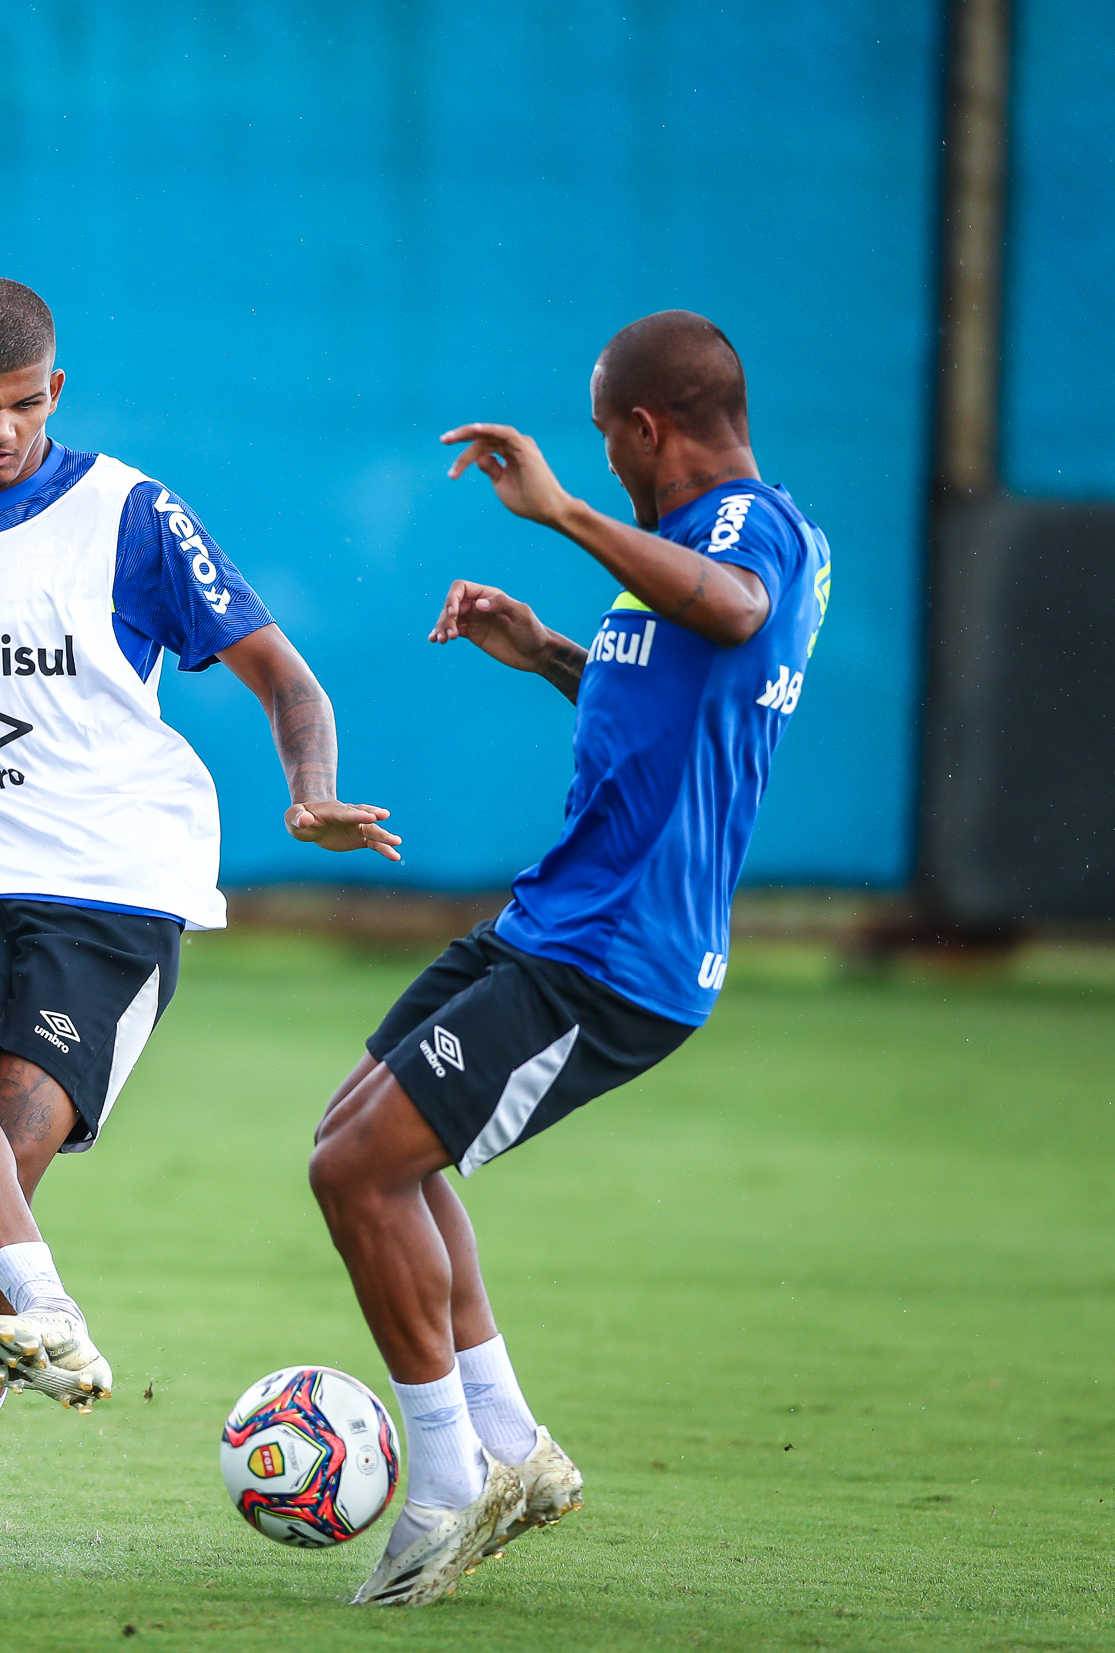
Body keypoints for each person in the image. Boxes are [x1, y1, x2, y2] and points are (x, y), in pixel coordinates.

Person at [0, 277, 400, 1539]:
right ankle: (46, 1313)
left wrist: (309, 793)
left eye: (18, 406)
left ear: (54, 392)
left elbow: (285, 677)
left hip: (111, 893)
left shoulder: (129, 515)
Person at [309, 311, 831, 1605]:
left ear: (648, 428)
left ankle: (440, 1487)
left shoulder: (752, 533)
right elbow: (672, 692)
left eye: (608, 446)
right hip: (555, 919)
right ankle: (510, 1449)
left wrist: (556, 516)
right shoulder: (687, 553)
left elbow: (736, 606)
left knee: (362, 1172)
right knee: (359, 1138)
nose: (601, 470)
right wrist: (541, 645)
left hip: (616, 955)